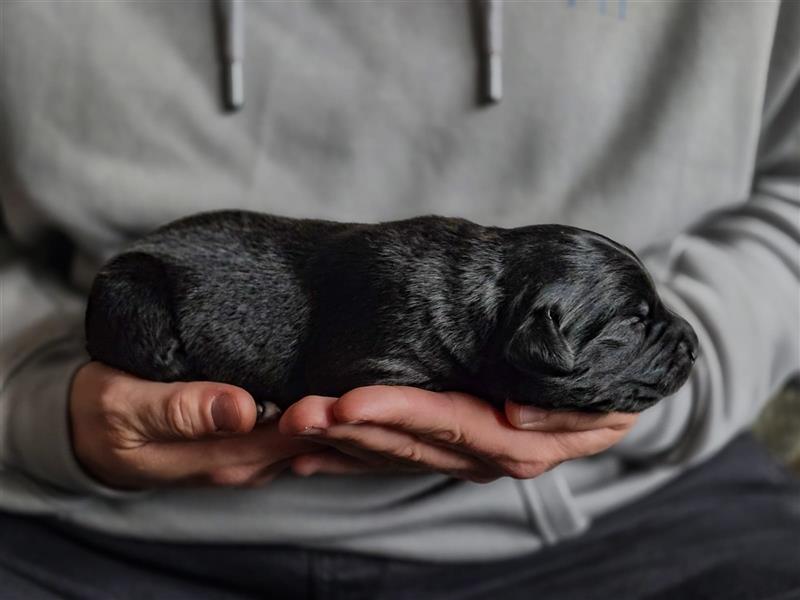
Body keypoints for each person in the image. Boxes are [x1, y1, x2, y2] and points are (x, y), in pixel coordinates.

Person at [1, 1, 798, 598]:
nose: (669, 339)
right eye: (634, 325)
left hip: (631, 510)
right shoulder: (412, 308)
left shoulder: (471, 297)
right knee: (140, 302)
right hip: (81, 518)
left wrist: (697, 374)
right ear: (537, 337)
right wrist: (36, 406)